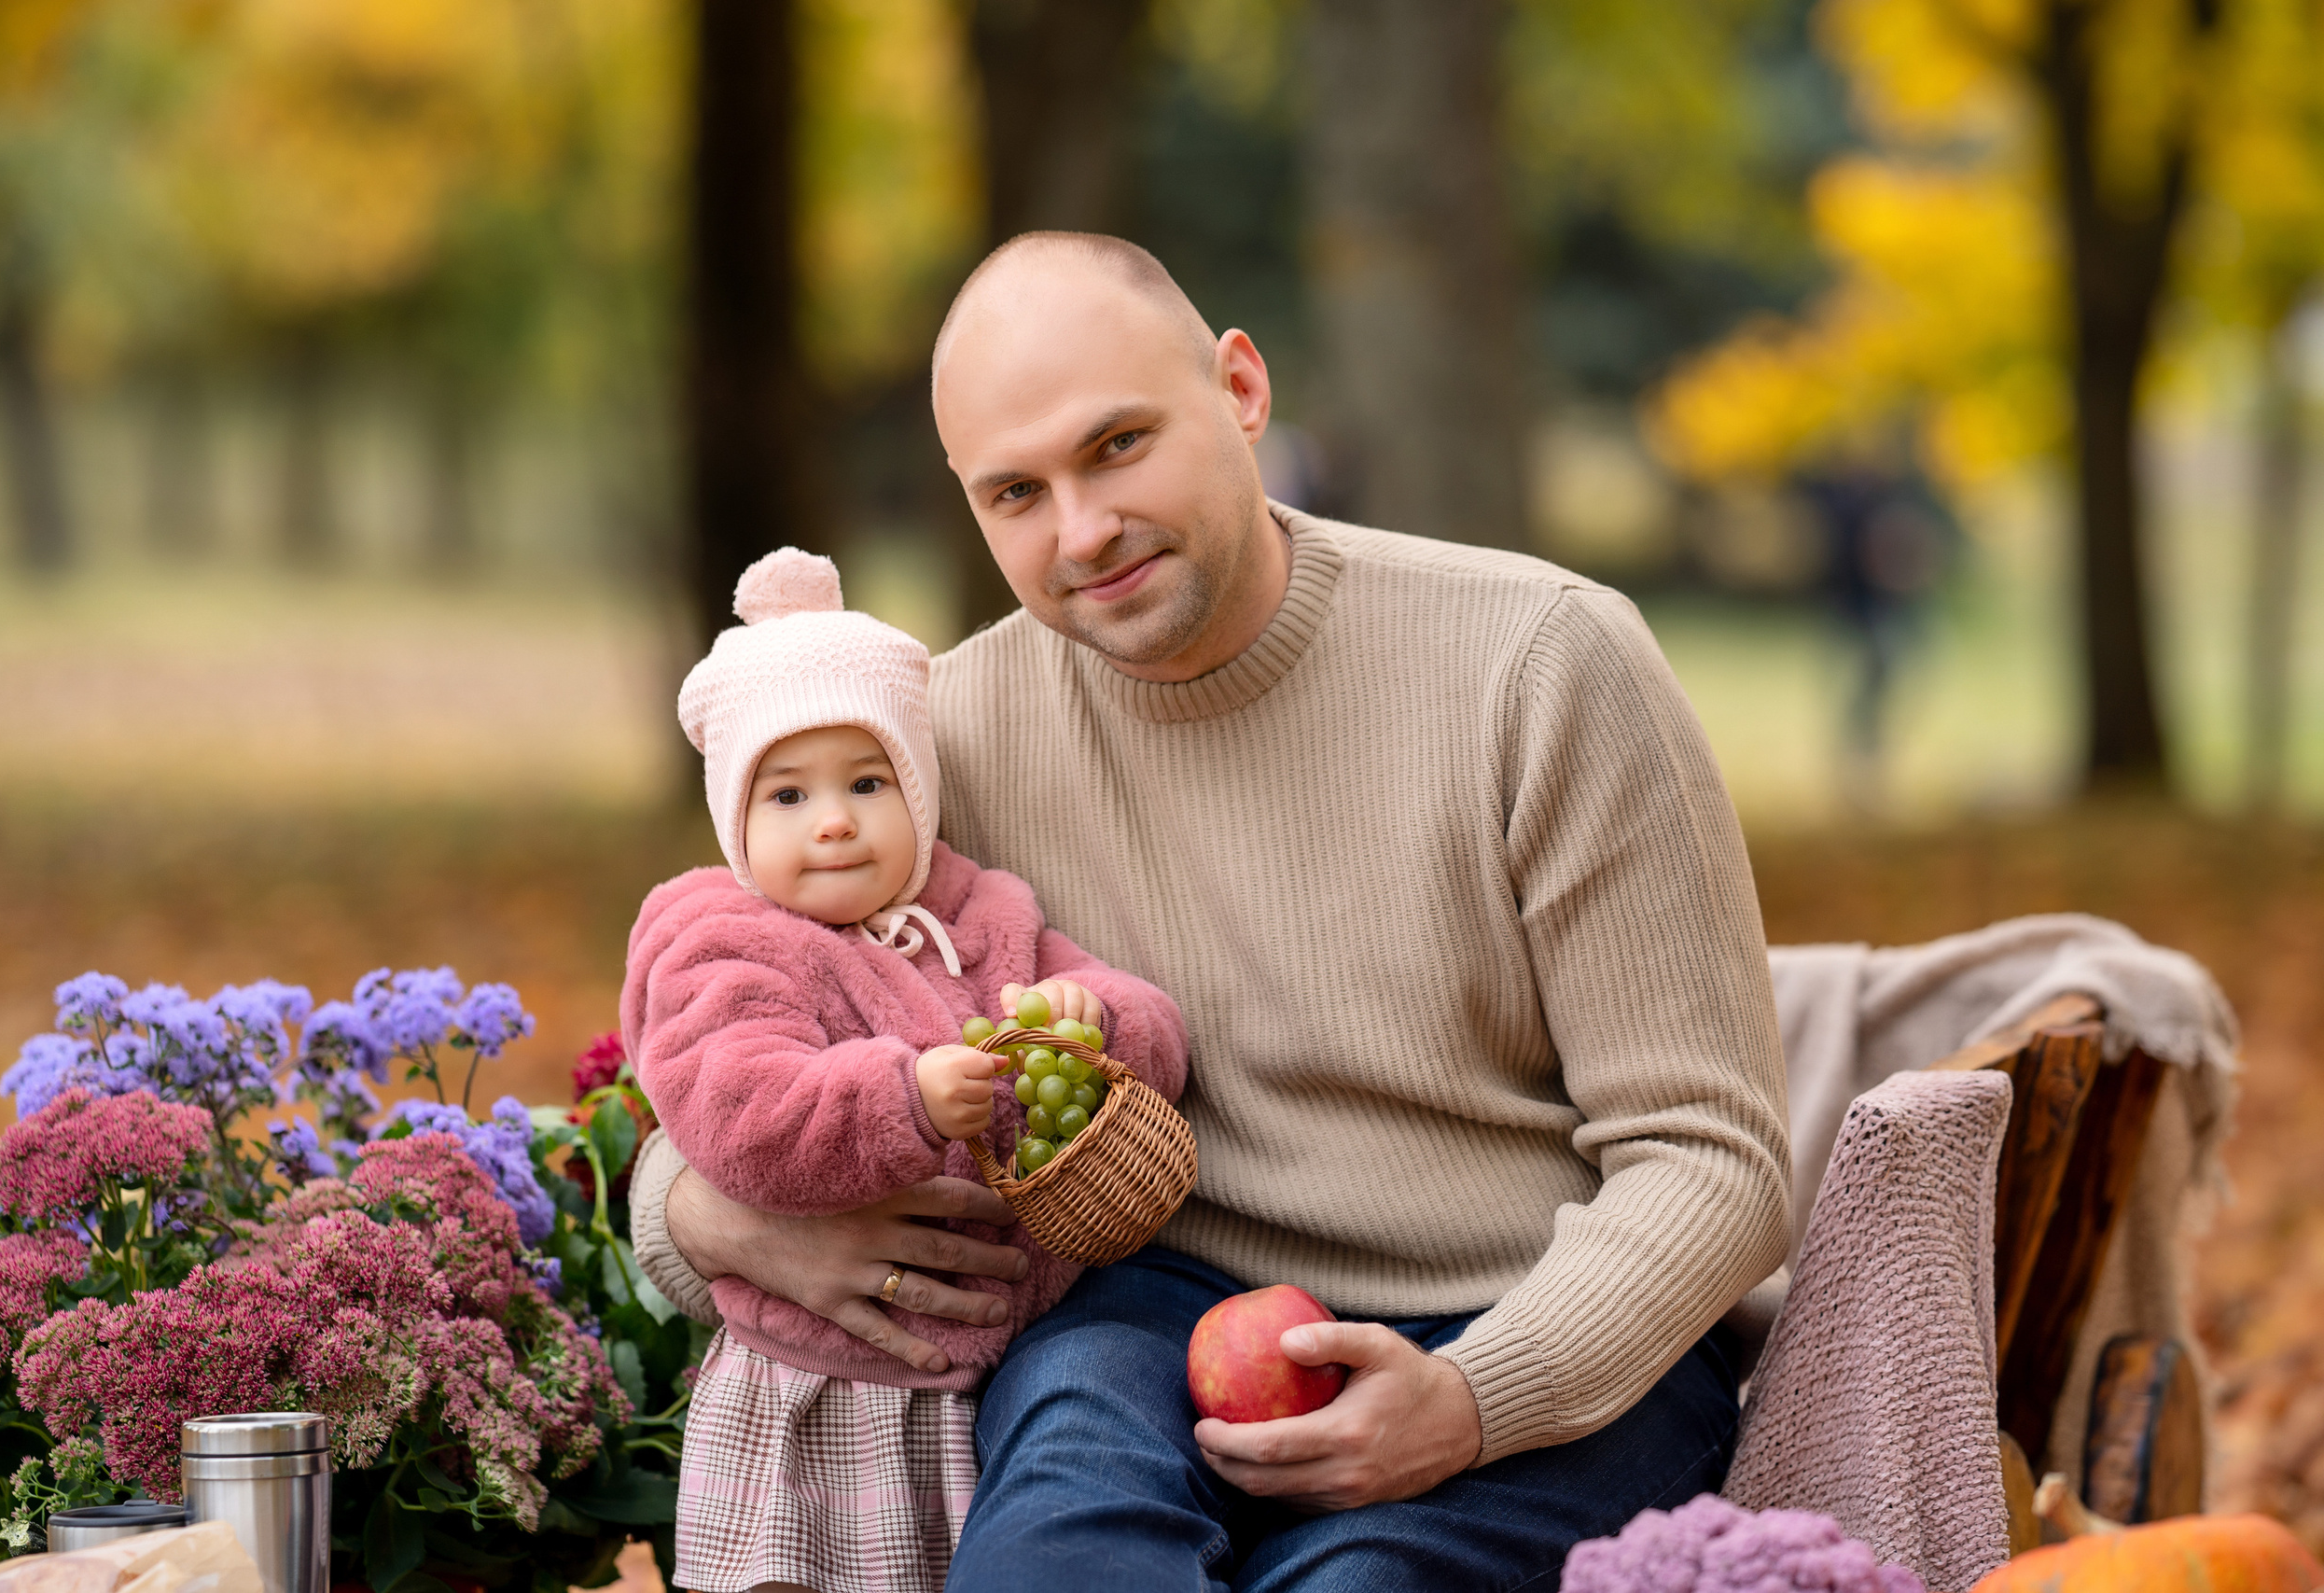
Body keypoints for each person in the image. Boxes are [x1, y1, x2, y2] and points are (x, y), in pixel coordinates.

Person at [628, 231, 1793, 1591]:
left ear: (1241, 389)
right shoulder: (942, 743)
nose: (1082, 531)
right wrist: (709, 1217)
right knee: (1056, 1551)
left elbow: (1714, 1154)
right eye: (1016, 491)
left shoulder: (1542, 663)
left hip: (1536, 1320)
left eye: (1118, 445)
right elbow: (728, 1029)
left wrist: (1478, 1393)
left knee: (1357, 1578)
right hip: (1145, 1313)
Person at [633, 545, 1189, 1593]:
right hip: (820, 1383)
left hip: (982, 1381)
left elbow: (1155, 1034)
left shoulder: (984, 916)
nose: (834, 818)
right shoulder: (727, 944)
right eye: (787, 794)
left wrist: (1093, 1025)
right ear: (734, 819)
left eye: (866, 780)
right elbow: (739, 1113)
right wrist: (901, 1096)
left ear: (918, 791)